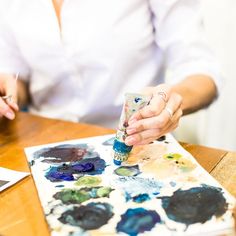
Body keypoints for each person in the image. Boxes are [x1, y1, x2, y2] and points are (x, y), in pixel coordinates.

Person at [0, 0, 221, 146]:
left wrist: (170, 103)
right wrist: (6, 93)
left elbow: (201, 70)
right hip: (44, 143)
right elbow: (19, 80)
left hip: (135, 143)